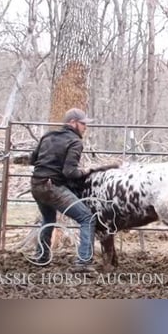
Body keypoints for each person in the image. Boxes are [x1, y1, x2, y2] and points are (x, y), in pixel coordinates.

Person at [29, 107, 112, 272]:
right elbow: (70, 172)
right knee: (87, 218)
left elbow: (33, 159)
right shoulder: (75, 142)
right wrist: (86, 172)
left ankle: (42, 256)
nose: (85, 127)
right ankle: (83, 262)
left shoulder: (48, 136)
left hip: (36, 185)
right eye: (83, 124)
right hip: (52, 188)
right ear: (72, 123)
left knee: (48, 219)